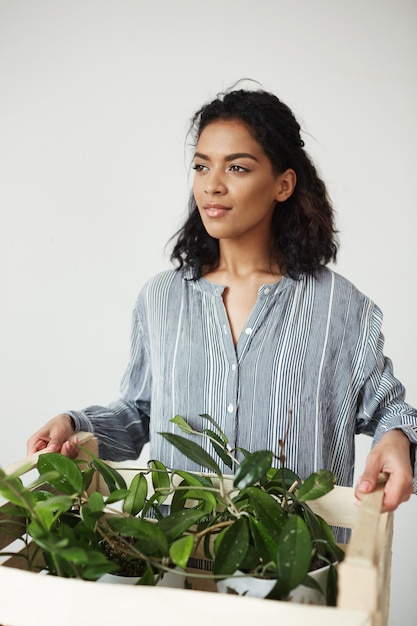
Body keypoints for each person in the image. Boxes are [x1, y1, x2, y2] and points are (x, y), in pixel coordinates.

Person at [27, 87, 417, 513]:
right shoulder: (161, 299)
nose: (212, 185)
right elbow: (140, 414)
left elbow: (389, 413)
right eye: (201, 166)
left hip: (299, 567)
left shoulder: (342, 308)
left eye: (237, 167)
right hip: (175, 559)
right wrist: (74, 425)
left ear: (283, 184)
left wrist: (397, 440)